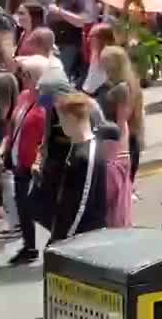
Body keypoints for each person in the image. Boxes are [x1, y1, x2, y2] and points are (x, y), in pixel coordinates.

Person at [48, 91, 112, 243]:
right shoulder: (78, 146)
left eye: (61, 119)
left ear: (71, 119)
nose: (60, 124)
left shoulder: (86, 155)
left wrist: (63, 237)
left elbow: (82, 203)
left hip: (84, 236)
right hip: (75, 232)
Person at [3, 57, 46, 264]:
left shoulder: (47, 103)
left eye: (25, 73)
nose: (21, 76)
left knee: (41, 209)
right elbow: (13, 124)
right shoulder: (23, 97)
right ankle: (29, 247)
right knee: (24, 207)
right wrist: (7, 144)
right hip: (19, 161)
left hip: (35, 166)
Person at [97, 46, 137, 227]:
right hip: (104, 140)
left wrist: (123, 150)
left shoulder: (122, 88)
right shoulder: (107, 84)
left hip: (113, 142)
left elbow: (123, 121)